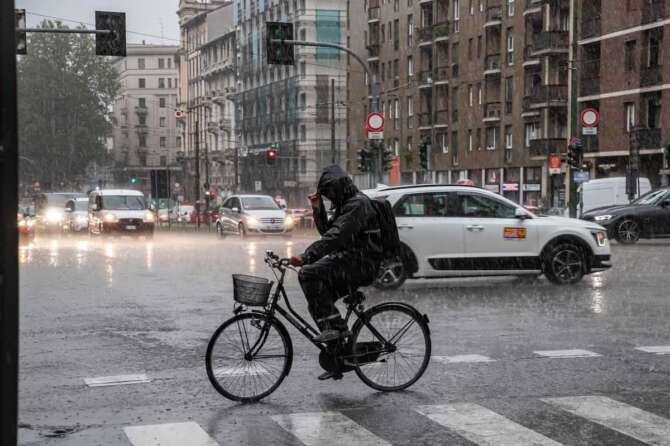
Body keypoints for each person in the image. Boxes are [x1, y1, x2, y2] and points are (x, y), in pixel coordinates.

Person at [289, 165, 383, 347]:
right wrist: (318, 209)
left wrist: (306, 256)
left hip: (362, 263)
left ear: (339, 187)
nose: (329, 196)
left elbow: (335, 237)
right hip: (351, 260)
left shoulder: (357, 205)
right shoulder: (347, 204)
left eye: (330, 192)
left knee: (308, 274)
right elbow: (328, 232)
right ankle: (337, 349)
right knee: (317, 299)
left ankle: (338, 329)